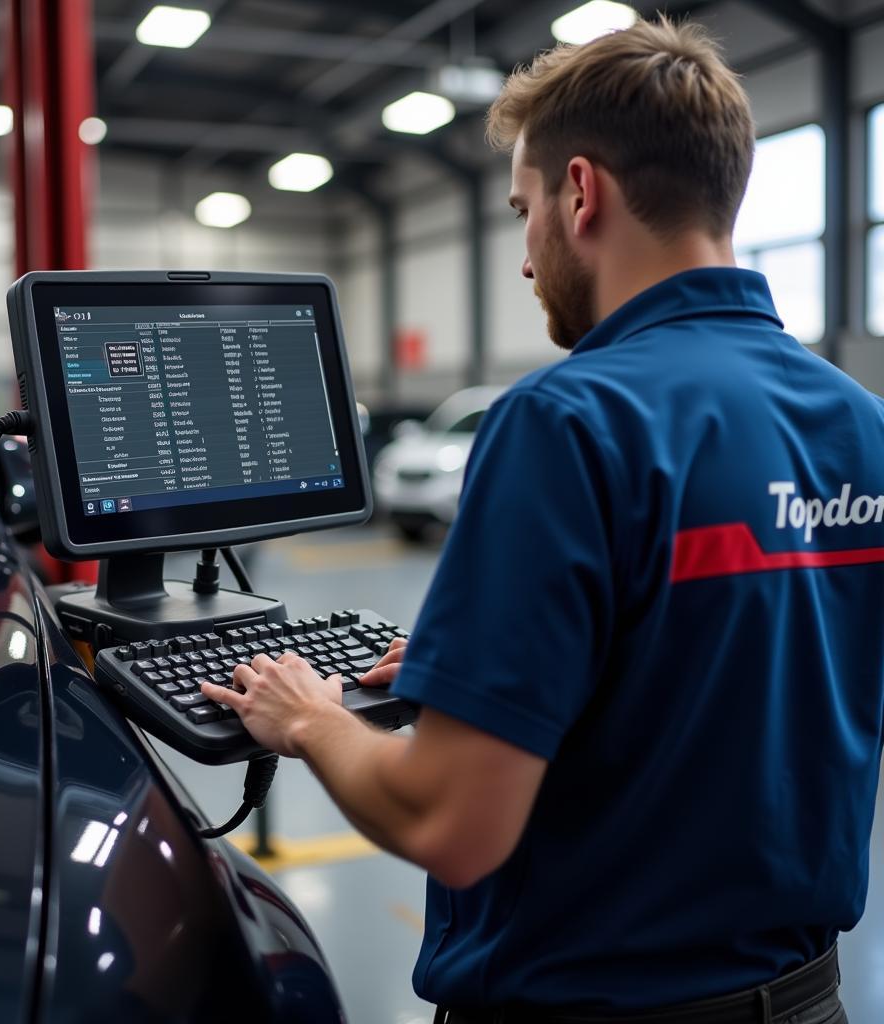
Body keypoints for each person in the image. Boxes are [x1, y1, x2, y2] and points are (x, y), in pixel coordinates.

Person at [203, 16, 884, 1023]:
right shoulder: (858, 421)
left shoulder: (567, 418)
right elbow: (735, 680)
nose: (525, 255)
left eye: (522, 209)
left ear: (579, 192)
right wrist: (479, 675)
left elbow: (452, 823)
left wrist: (310, 721)